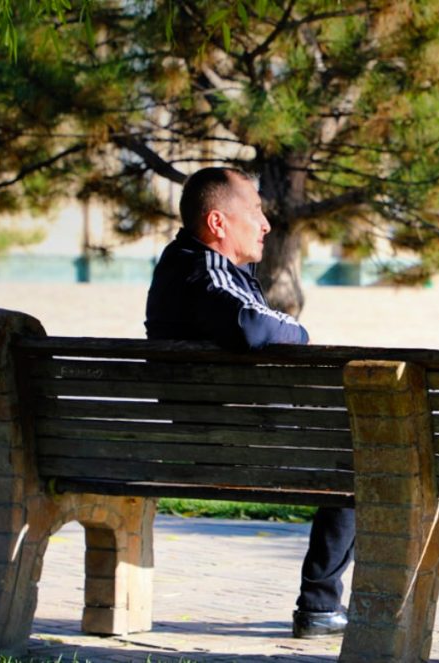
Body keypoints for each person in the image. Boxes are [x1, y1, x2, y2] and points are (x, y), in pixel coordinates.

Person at [145, 166, 355, 638]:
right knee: (362, 456)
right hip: (231, 449)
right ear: (217, 222)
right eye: (256, 212)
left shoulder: (187, 265)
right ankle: (321, 604)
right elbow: (252, 324)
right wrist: (299, 330)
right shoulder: (205, 270)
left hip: (203, 440)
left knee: (352, 447)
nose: (265, 224)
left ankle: (324, 603)